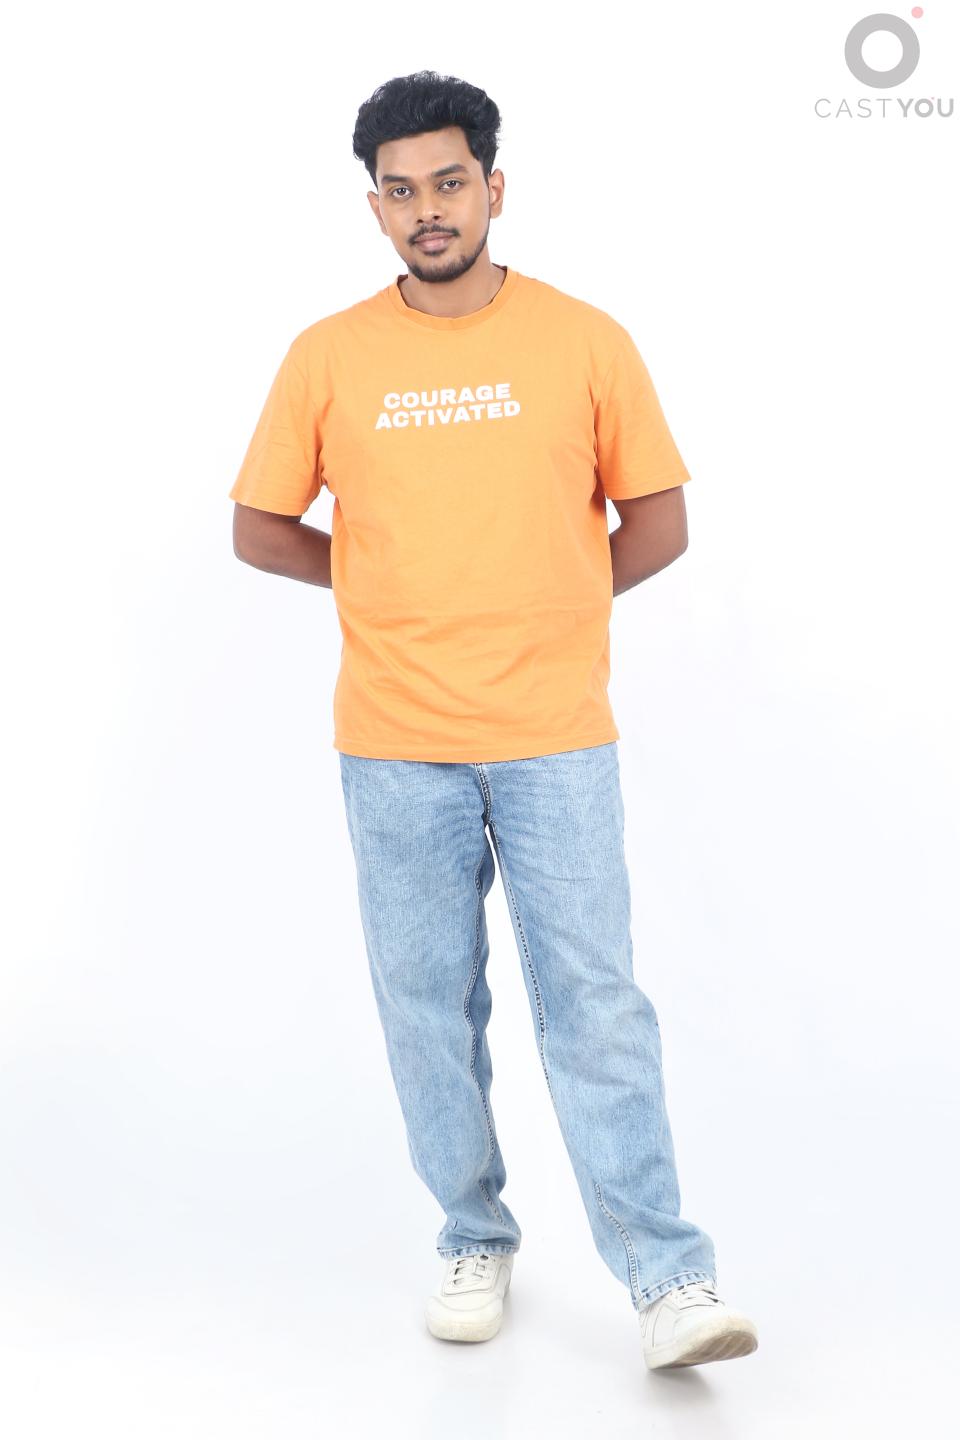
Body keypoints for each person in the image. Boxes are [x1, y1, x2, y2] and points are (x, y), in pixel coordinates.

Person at [228, 69, 759, 1371]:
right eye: (401, 190)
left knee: (595, 1003)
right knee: (427, 1005)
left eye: (450, 182)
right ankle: (474, 1233)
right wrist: (383, 589)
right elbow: (259, 527)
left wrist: (548, 602)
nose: (429, 208)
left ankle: (668, 1281)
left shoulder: (584, 340)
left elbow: (660, 522)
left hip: (555, 732)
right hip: (394, 739)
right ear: (375, 208)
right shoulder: (329, 356)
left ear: (494, 189)